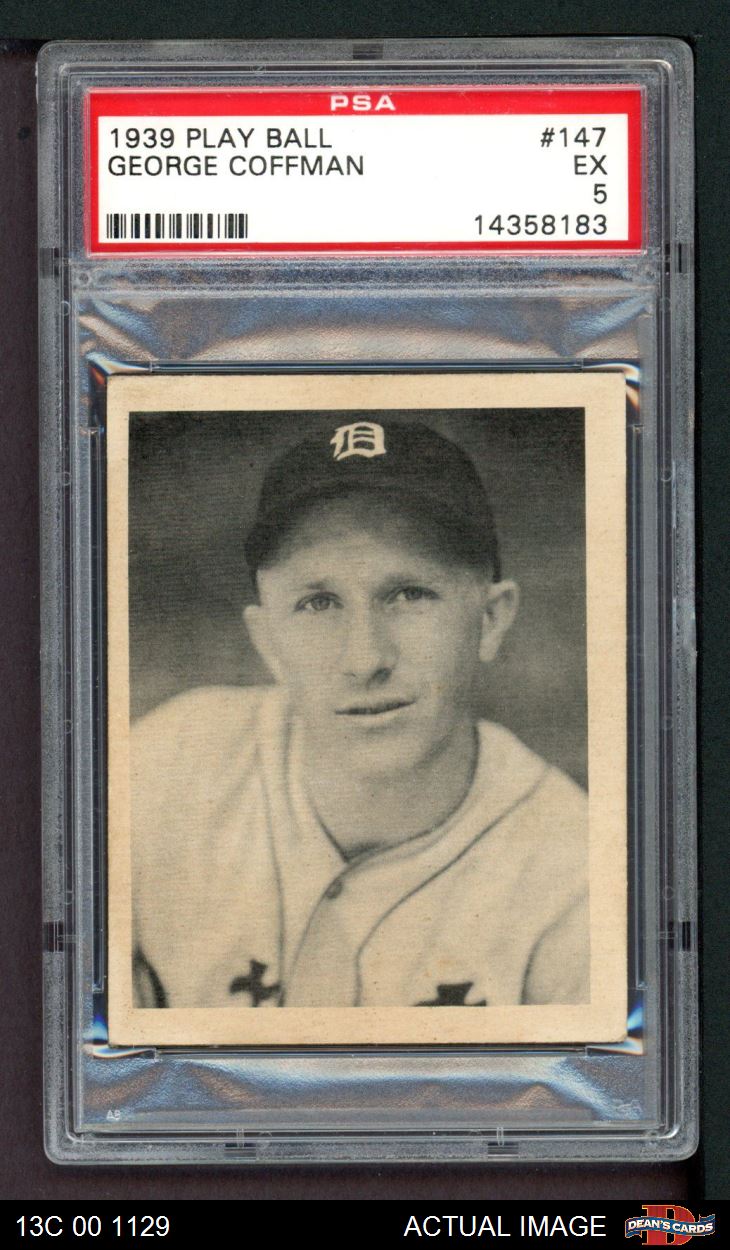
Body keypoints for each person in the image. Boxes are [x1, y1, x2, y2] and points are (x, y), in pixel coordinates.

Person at [131, 418, 588, 1010]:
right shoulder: (161, 768)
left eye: (410, 595)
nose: (365, 659)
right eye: (318, 603)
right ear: (268, 642)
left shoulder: (578, 877)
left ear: (491, 619)